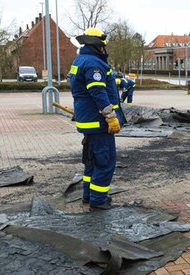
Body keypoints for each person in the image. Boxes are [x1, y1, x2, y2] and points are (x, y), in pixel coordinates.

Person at [69, 28, 125, 210]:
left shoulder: (81, 59)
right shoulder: (94, 63)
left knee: (92, 160)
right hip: (99, 121)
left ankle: (88, 195)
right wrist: (110, 117)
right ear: (98, 44)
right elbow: (97, 91)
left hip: (89, 120)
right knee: (105, 161)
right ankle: (98, 201)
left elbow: (81, 91)